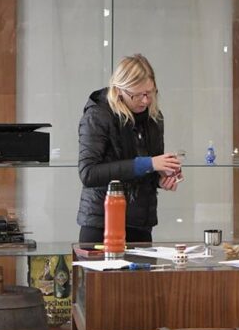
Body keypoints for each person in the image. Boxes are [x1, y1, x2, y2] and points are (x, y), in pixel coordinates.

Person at [77, 54, 182, 244]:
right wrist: (149, 163)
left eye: (150, 93)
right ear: (119, 90)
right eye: (137, 95)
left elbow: (148, 169)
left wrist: (162, 178)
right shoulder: (97, 116)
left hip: (141, 224)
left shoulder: (154, 118)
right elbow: (88, 173)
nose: (145, 101)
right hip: (102, 223)